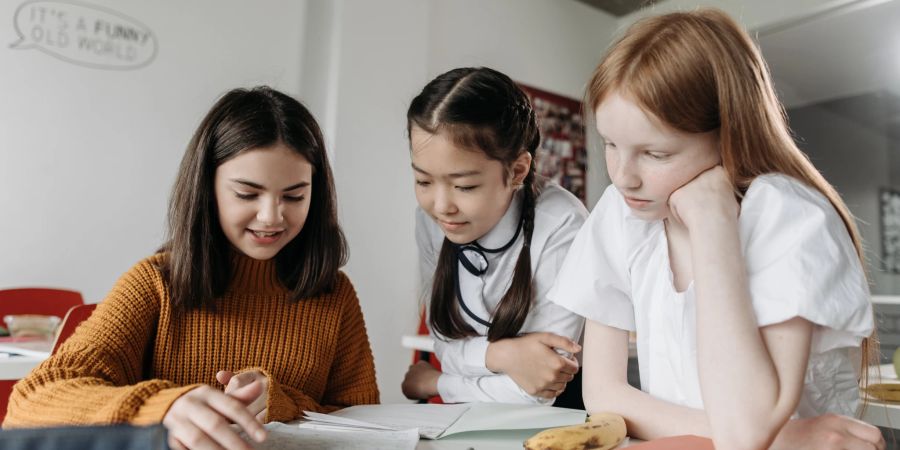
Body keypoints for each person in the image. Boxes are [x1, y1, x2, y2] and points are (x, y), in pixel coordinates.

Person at [548, 9, 884, 450]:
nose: (622, 177)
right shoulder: (621, 213)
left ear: (729, 133)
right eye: (611, 144)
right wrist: (789, 439)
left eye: (656, 153)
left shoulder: (788, 215)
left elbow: (743, 433)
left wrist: (712, 220)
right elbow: (604, 394)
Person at [3, 87, 379, 450]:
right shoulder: (155, 284)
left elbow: (367, 423)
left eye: (295, 196)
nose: (271, 216)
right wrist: (164, 406)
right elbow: (29, 404)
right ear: (207, 187)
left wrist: (282, 403)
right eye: (247, 194)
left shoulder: (334, 293)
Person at [400, 67, 588, 407]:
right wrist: (503, 356)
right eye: (423, 181)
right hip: (464, 420)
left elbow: (540, 388)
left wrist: (436, 383)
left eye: (465, 186)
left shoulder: (563, 223)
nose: (441, 207)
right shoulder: (429, 222)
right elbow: (443, 341)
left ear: (517, 171)